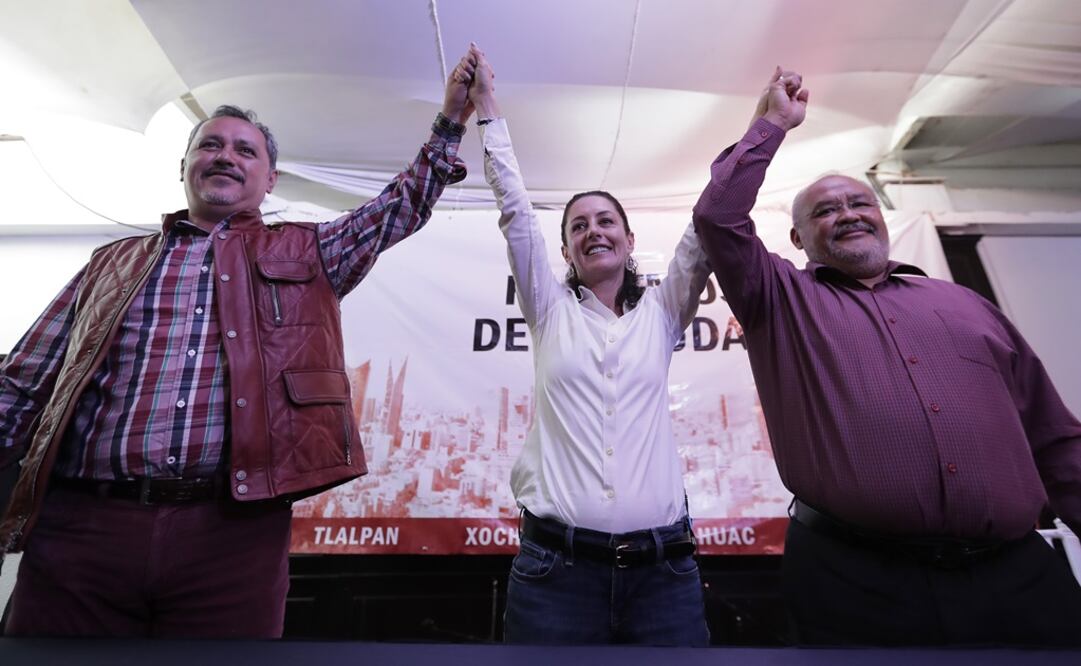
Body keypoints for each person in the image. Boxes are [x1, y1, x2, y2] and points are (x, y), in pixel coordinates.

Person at [0, 49, 479, 638]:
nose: (225, 156)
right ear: (185, 166)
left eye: (244, 149)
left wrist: (450, 122)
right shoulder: (110, 265)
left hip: (231, 534)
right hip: (83, 531)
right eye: (211, 145)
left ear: (270, 179)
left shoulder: (308, 251)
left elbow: (398, 208)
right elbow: (19, 386)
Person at [692, 67, 1081, 646]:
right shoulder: (780, 297)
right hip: (856, 583)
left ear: (881, 216)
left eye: (859, 202)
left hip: (1018, 578)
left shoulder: (966, 305)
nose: (847, 213)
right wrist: (771, 124)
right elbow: (718, 218)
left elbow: (1053, 437)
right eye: (824, 211)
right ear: (797, 240)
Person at [464, 45, 711, 646]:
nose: (592, 230)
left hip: (664, 575)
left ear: (628, 241)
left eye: (605, 222)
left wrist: (765, 130)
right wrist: (487, 108)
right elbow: (516, 213)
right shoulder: (550, 313)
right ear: (569, 251)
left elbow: (706, 229)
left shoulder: (662, 313)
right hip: (556, 576)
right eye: (578, 226)